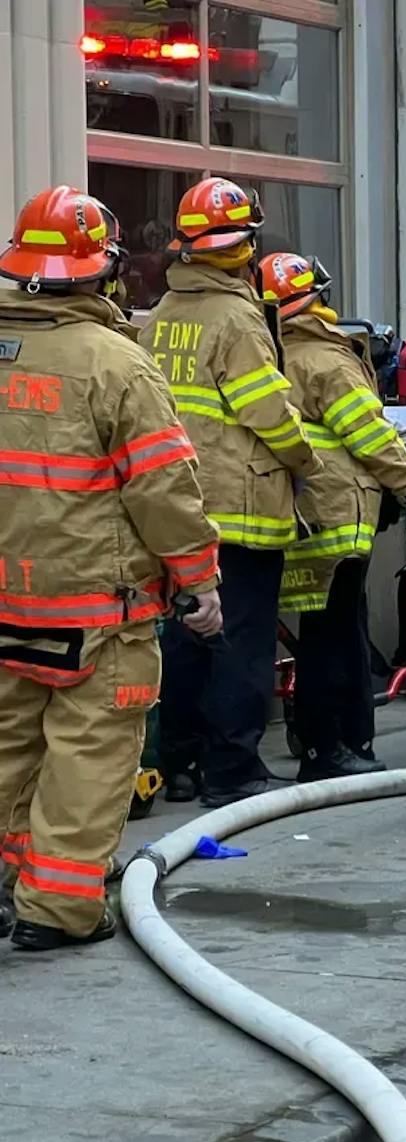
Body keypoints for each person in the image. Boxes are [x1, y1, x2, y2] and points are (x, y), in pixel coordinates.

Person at [0, 186, 222, 949]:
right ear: (103, 272)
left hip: (6, 601)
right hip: (97, 605)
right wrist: (199, 580)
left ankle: (11, 885)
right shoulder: (115, 364)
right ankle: (57, 909)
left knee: (6, 749)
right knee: (89, 753)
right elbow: (164, 490)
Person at [141, 176, 318, 808]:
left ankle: (180, 764)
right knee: (241, 642)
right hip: (241, 505)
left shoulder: (160, 315)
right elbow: (266, 409)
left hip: (178, 505)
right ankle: (234, 769)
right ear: (247, 245)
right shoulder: (238, 316)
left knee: (188, 640)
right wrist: (307, 462)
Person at [259, 252, 406, 781]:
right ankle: (329, 748)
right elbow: (369, 433)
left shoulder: (272, 354)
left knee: (323, 631)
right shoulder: (326, 360)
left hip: (302, 509)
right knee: (333, 635)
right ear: (317, 301)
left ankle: (339, 743)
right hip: (338, 513)